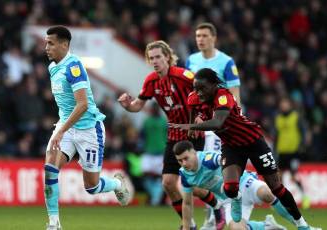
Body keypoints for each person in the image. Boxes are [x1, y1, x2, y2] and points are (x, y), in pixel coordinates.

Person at [169, 68, 321, 230]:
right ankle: (236, 199)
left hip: (253, 142)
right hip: (231, 146)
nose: (198, 93)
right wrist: (193, 125)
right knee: (230, 188)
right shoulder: (194, 97)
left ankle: (303, 225)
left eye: (202, 88)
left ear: (214, 85)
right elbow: (193, 107)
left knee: (276, 188)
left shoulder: (223, 97)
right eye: (196, 88)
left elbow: (218, 122)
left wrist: (191, 125)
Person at [43, 26, 130, 230]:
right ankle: (54, 224)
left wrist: (62, 130)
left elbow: (82, 105)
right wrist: (61, 130)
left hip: (89, 129)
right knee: (50, 169)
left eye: (51, 43)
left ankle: (117, 184)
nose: (46, 47)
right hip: (65, 127)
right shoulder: (52, 67)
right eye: (46, 43)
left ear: (65, 44)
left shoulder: (74, 67)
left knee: (92, 186)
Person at [118, 40, 206, 229]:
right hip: (174, 137)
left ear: (167, 56)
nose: (155, 61)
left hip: (193, 136)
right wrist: (128, 106)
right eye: (152, 58)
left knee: (194, 186)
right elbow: (138, 105)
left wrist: (199, 118)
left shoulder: (184, 76)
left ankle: (217, 207)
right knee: (168, 183)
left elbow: (206, 95)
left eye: (158, 56)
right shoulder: (151, 81)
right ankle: (188, 224)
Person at [186, 22, 241, 229]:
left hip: (221, 123)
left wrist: (235, 118)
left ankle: (220, 213)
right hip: (200, 122)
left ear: (214, 38)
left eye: (204, 36)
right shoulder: (192, 60)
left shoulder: (226, 61)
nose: (200, 39)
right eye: (198, 35)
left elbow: (234, 92)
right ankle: (216, 213)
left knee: (217, 167)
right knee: (204, 168)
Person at [174, 140, 292, 230]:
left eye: (186, 158)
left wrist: (227, 180)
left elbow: (227, 161)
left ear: (194, 153)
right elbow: (187, 203)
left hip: (243, 183)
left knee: (266, 193)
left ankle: (300, 223)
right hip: (229, 200)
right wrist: (186, 228)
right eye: (180, 160)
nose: (183, 163)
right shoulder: (185, 175)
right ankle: (266, 226)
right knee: (236, 228)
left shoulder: (207, 159)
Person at [275, 97, 310, 209]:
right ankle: (282, 200)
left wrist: (302, 145)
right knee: (279, 178)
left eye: (285, 103)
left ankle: (305, 197)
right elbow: (276, 135)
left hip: (293, 151)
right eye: (282, 104)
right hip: (281, 151)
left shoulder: (296, 117)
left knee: (294, 175)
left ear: (290, 105)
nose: (283, 106)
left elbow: (303, 131)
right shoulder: (278, 118)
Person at [140, 102, 166, 206]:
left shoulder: (164, 121)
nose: (153, 110)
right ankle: (152, 195)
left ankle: (157, 199)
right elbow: (142, 135)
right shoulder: (147, 121)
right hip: (148, 152)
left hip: (161, 153)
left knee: (161, 177)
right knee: (145, 174)